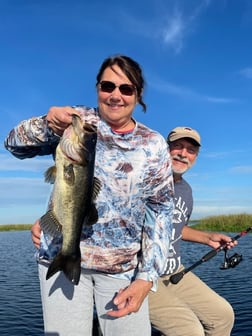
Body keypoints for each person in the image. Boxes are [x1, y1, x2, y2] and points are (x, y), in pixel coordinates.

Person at [4, 55, 174, 336]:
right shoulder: (75, 122)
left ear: (138, 95)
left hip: (121, 270)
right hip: (58, 256)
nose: (115, 95)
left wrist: (147, 277)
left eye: (126, 89)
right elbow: (13, 144)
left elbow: (161, 212)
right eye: (108, 86)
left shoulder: (153, 144)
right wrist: (46, 124)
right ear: (97, 88)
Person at [149, 126, 236, 336]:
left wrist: (207, 237)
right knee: (189, 330)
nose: (183, 153)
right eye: (177, 146)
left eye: (190, 150)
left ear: (196, 156)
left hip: (174, 271)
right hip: (141, 275)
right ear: (164, 148)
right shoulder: (145, 179)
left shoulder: (186, 190)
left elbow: (177, 227)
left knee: (223, 315)